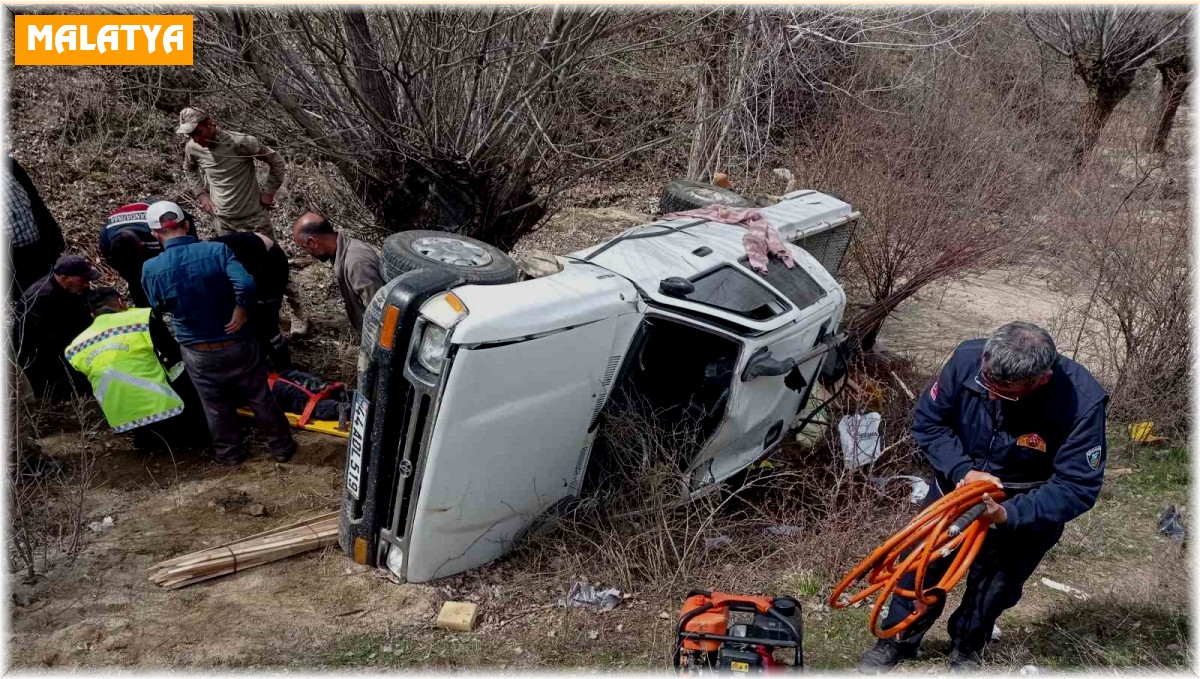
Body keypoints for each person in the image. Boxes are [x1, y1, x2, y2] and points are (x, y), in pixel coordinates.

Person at [857, 322, 1107, 673]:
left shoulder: (1081, 402)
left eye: (1004, 392)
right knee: (921, 568)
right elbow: (929, 423)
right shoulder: (967, 360)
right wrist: (962, 471)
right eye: (985, 383)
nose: (989, 395)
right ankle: (897, 640)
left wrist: (1008, 515)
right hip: (955, 493)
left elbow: (1078, 485)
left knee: (997, 586)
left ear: (1041, 379)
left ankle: (967, 646)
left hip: (1024, 504)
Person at [140, 200, 297, 467]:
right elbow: (246, 284)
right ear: (186, 225)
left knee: (214, 404)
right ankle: (281, 447)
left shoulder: (151, 268)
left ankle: (229, 454)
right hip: (237, 341)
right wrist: (241, 309)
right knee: (259, 395)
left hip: (197, 349)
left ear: (155, 234)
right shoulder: (216, 250)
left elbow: (157, 305)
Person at [176, 107, 309, 337]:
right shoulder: (194, 147)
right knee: (232, 269)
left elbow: (276, 161)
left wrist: (268, 192)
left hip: (253, 218)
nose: (196, 138)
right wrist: (201, 194)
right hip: (223, 221)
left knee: (274, 266)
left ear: (211, 124)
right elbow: (189, 168)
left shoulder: (241, 143)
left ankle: (298, 313)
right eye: (191, 135)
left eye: (198, 131)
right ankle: (251, 312)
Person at [64, 287, 208, 450]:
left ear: (92, 314)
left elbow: (84, 384)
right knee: (181, 366)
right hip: (164, 406)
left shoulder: (75, 347)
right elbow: (173, 354)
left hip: (122, 416)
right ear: (120, 302)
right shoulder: (140, 319)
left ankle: (147, 440)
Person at [12, 255, 100, 398]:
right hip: (43, 357)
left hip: (65, 337)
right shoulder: (40, 299)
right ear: (64, 278)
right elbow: (49, 341)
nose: (87, 284)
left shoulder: (71, 287)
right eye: (83, 280)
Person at [211, 231, 293, 370]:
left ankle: (285, 370)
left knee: (267, 323)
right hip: (247, 263)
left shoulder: (204, 261)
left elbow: (244, 285)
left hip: (267, 259)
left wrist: (241, 307)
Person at [291, 212, 384, 332]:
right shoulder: (341, 252)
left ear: (312, 242)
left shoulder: (357, 264)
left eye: (304, 247)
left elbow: (381, 314)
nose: (306, 252)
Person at [4, 155, 65, 299]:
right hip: (13, 257)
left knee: (57, 292)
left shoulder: (9, 164)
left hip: (41, 245)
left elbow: (35, 199)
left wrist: (55, 235)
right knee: (28, 300)